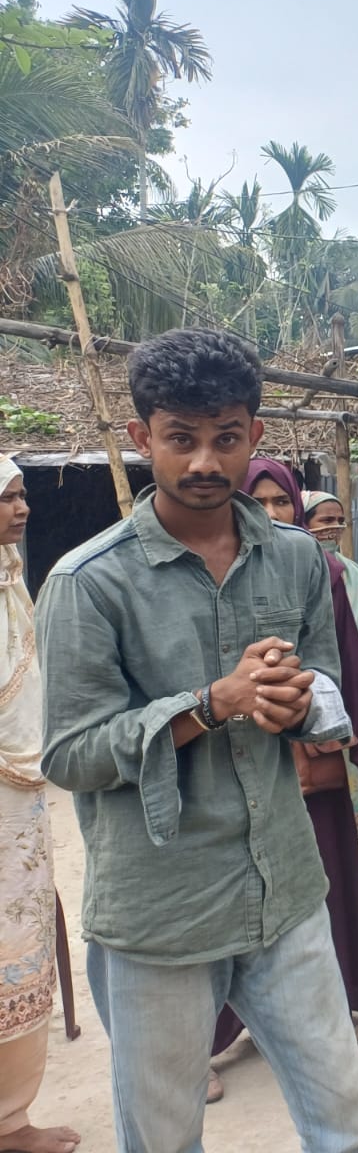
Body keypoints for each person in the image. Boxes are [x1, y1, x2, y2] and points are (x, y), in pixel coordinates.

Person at [36, 328, 358, 1150]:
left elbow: (325, 689)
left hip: (285, 891)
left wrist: (296, 704)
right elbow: (70, 754)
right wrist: (209, 704)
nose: (204, 461)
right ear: (141, 439)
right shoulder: (88, 583)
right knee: (164, 1141)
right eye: (180, 438)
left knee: (351, 1131)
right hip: (162, 910)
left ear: (255, 438)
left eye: (225, 438)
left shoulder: (298, 557)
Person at [209, 463, 358, 1092]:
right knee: (233, 895)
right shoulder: (205, 571)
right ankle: (211, 1034)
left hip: (310, 758)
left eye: (280, 501)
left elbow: (348, 660)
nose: (272, 512)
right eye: (257, 500)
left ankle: (338, 1000)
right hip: (228, 762)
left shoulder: (322, 570)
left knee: (327, 880)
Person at [0, 456, 81, 1153]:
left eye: (22, 495)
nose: (21, 510)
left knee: (18, 951)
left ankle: (11, 1119)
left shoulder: (13, 584)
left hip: (17, 803)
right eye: (8, 498)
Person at [303, 490, 358, 646]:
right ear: (303, 523)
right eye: (327, 520)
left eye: (340, 521)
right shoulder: (293, 569)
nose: (336, 527)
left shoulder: (351, 570)